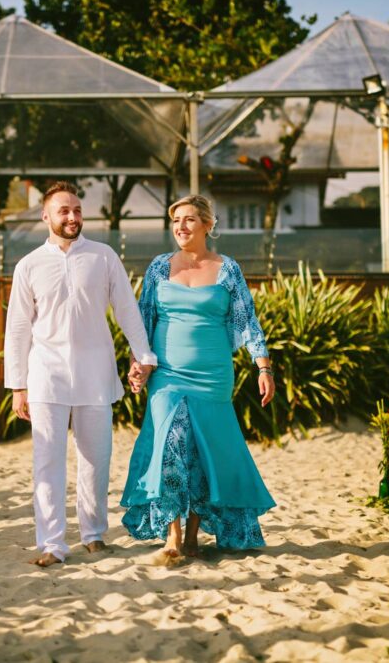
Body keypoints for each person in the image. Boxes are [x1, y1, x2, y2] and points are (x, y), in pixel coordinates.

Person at [4, 181, 156, 567]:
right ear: (46, 216)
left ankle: (93, 534)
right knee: (47, 461)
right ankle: (52, 543)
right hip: (45, 375)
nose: (72, 217)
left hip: (95, 373)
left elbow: (127, 309)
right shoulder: (28, 265)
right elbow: (17, 327)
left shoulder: (103, 256)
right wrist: (17, 385)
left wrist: (144, 355)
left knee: (96, 458)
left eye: (77, 210)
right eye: (64, 211)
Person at [120, 195, 276, 560]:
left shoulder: (228, 269)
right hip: (167, 375)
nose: (181, 226)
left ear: (208, 224)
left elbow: (247, 320)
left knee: (203, 450)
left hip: (212, 375)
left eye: (189, 219)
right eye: (176, 220)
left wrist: (263, 367)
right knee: (172, 443)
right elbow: (143, 320)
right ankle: (172, 535)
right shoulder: (159, 267)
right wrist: (138, 364)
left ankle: (193, 536)